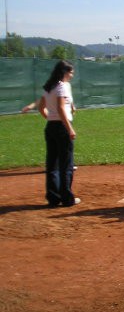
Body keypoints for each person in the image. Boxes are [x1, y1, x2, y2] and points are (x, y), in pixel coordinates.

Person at [37, 59, 80, 207]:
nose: (72, 74)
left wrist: (50, 118)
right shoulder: (62, 87)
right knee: (66, 164)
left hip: (50, 127)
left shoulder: (49, 86)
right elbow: (61, 109)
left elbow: (41, 107)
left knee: (52, 164)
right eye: (70, 72)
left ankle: (53, 198)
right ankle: (67, 198)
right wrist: (69, 128)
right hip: (62, 127)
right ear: (64, 72)